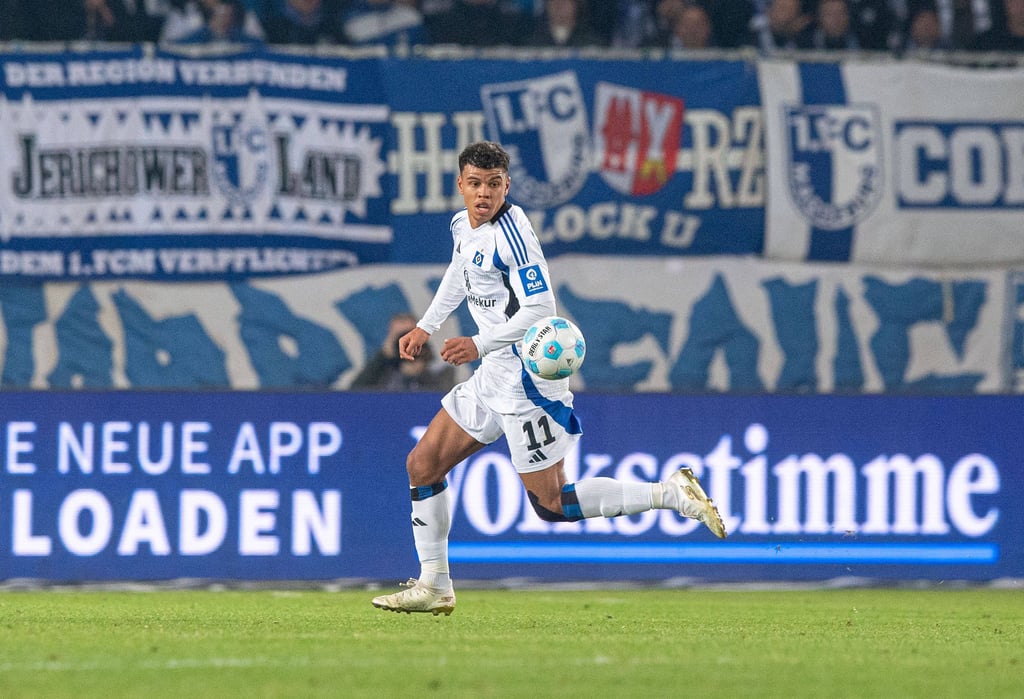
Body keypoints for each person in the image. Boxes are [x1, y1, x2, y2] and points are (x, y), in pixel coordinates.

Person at [370, 141, 726, 616]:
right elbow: (459, 273)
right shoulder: (462, 225)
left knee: (552, 503)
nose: (483, 194)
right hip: (491, 377)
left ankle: (670, 494)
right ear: (460, 185)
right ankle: (435, 585)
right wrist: (425, 327)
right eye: (475, 184)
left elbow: (541, 309)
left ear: (507, 186)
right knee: (423, 465)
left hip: (526, 383)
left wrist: (479, 343)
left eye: (493, 185)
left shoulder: (514, 236)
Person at [350, 313, 455, 391]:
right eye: (399, 337)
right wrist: (383, 356)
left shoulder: (439, 371)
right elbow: (354, 394)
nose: (405, 343)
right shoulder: (380, 372)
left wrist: (422, 367)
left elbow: (444, 397)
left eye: (409, 335)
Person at [526, 0, 604, 47]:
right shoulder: (532, 45)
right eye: (553, 1)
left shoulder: (593, 45)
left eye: (565, 1)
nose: (559, 5)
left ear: (576, 6)